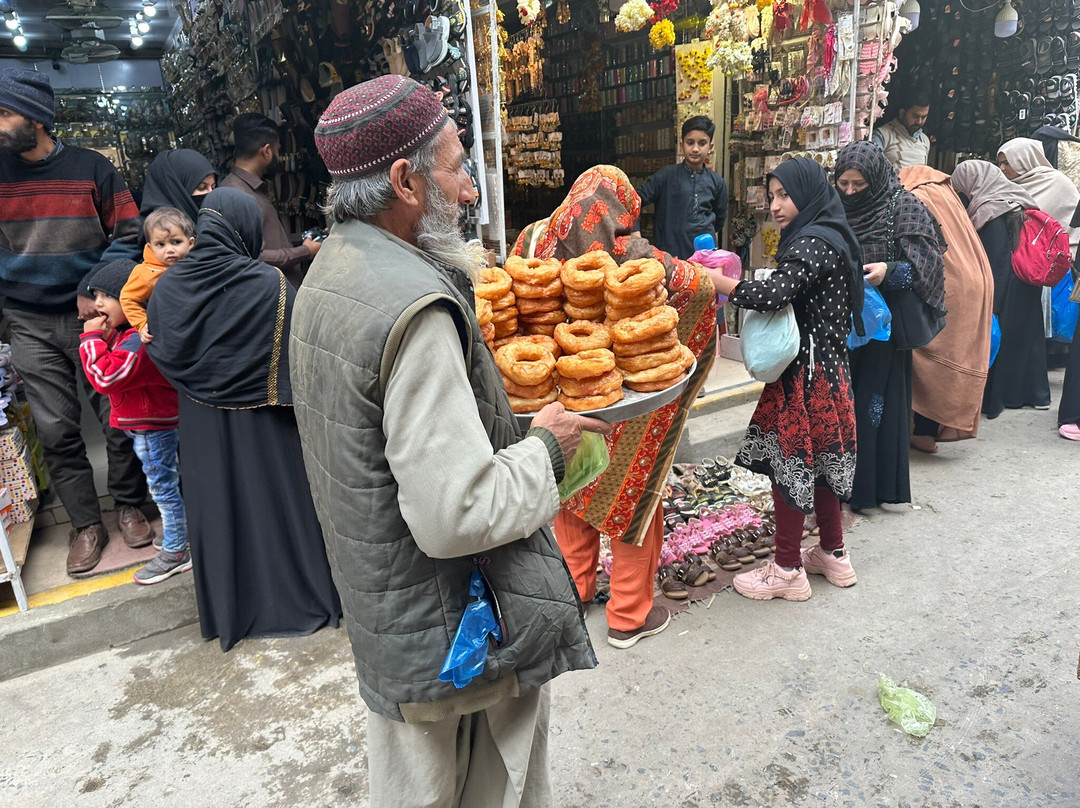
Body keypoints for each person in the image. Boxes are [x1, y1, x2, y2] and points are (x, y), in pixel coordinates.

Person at [289, 75, 606, 807]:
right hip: (455, 636)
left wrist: (503, 436)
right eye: (458, 166)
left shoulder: (330, 274)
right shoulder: (415, 310)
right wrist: (547, 448)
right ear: (404, 180)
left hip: (391, 616)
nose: (468, 192)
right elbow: (454, 514)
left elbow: (381, 450)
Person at [513, 164, 717, 645]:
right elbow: (697, 289)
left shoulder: (530, 239)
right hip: (623, 398)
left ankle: (574, 592)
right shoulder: (627, 253)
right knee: (632, 496)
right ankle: (628, 616)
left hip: (558, 393)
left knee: (570, 487)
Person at [145, 188, 341, 651]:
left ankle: (235, 612)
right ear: (244, 229)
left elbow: (163, 350)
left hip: (202, 426)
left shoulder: (169, 288)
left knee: (220, 508)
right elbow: (300, 357)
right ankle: (302, 600)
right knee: (282, 505)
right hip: (270, 424)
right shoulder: (268, 284)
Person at [0, 67, 152, 574]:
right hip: (28, 322)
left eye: (4, 113)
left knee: (118, 419)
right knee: (56, 429)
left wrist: (96, 290)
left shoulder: (92, 168)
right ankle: (86, 524)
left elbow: (130, 236)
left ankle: (128, 503)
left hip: (94, 315)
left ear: (37, 117)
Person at [711, 158, 862, 600]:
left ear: (808, 194)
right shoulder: (833, 234)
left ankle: (788, 568)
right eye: (772, 195)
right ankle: (833, 554)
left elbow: (773, 293)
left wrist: (715, 280)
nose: (775, 205)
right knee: (821, 466)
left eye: (784, 195)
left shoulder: (812, 242)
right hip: (831, 373)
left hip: (805, 378)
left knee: (789, 467)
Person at [834, 141, 946, 511]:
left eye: (858, 186)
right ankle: (837, 486)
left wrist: (889, 271)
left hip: (883, 331)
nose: (849, 193)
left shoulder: (904, 207)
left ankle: (870, 489)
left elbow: (928, 267)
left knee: (873, 406)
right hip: (841, 325)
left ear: (876, 179)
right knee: (840, 405)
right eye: (843, 184)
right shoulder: (835, 207)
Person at [78, 260, 190, 585]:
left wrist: (90, 341)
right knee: (171, 483)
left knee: (163, 489)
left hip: (153, 427)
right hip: (151, 424)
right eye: (95, 295)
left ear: (132, 299)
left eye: (106, 296)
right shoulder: (127, 335)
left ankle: (176, 551)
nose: (97, 304)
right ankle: (182, 533)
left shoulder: (138, 340)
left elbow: (106, 377)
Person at [900, 166, 995, 451]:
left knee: (926, 354)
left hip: (949, 283)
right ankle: (928, 430)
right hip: (976, 278)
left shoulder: (914, 195)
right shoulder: (945, 192)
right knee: (954, 354)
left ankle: (922, 431)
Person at [950, 161, 1049, 417]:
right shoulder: (1016, 198)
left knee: (1001, 343)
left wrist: (991, 305)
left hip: (1006, 287)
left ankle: (997, 399)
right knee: (1026, 341)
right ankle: (1031, 395)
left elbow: (996, 262)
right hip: (1026, 284)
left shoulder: (991, 210)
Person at [220, 113, 320, 288]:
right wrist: (305, 252)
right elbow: (256, 256)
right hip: (274, 299)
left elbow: (271, 239)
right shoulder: (238, 194)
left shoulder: (248, 188)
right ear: (266, 151)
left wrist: (309, 238)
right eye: (278, 150)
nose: (279, 157)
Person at [633, 115, 729, 259]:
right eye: (690, 142)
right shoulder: (666, 176)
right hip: (669, 257)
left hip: (705, 258)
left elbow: (719, 218)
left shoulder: (717, 182)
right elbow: (634, 200)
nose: (695, 149)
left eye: (702, 143)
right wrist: (636, 235)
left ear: (710, 147)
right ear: (681, 144)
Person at [120, 207, 196, 341]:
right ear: (150, 248)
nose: (170, 250)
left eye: (176, 242)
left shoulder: (197, 264)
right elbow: (128, 298)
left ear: (190, 243)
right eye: (160, 244)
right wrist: (142, 324)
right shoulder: (146, 273)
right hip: (168, 334)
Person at [871, 89, 931, 171]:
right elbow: (873, 169)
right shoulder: (882, 135)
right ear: (902, 113)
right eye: (915, 116)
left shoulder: (925, 141)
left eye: (923, 117)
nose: (919, 122)